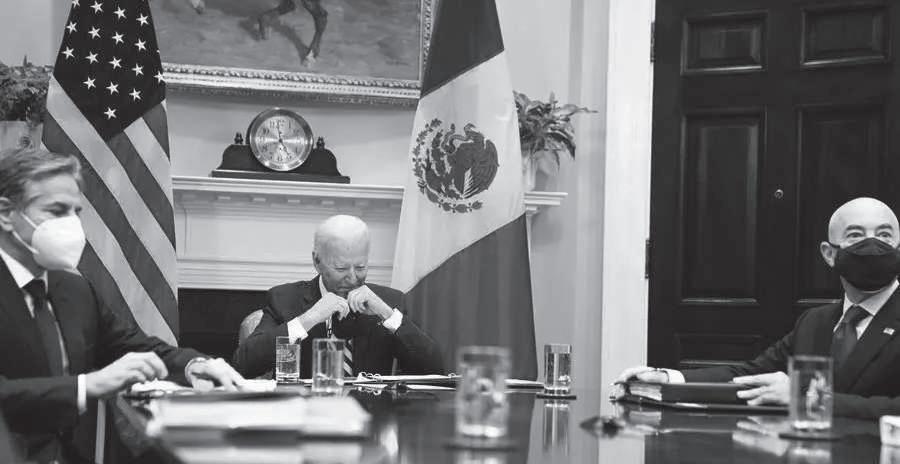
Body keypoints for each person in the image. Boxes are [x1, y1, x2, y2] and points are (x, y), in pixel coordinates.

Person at [0, 148, 247, 462]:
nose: (72, 225)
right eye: (57, 211)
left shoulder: (73, 289)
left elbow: (135, 346)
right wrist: (87, 385)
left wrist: (194, 364)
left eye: (76, 212)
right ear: (6, 213)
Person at [618, 197, 900, 419]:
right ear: (829, 254)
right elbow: (750, 374)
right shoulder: (815, 322)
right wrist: (667, 378)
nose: (872, 245)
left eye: (885, 235)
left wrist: (805, 398)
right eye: (855, 235)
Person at [233, 214, 444, 379]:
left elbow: (435, 369)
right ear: (317, 261)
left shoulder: (389, 300)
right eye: (341, 268)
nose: (352, 278)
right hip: (306, 414)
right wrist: (308, 319)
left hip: (371, 414)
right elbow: (244, 365)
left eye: (360, 267)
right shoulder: (285, 298)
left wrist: (388, 315)